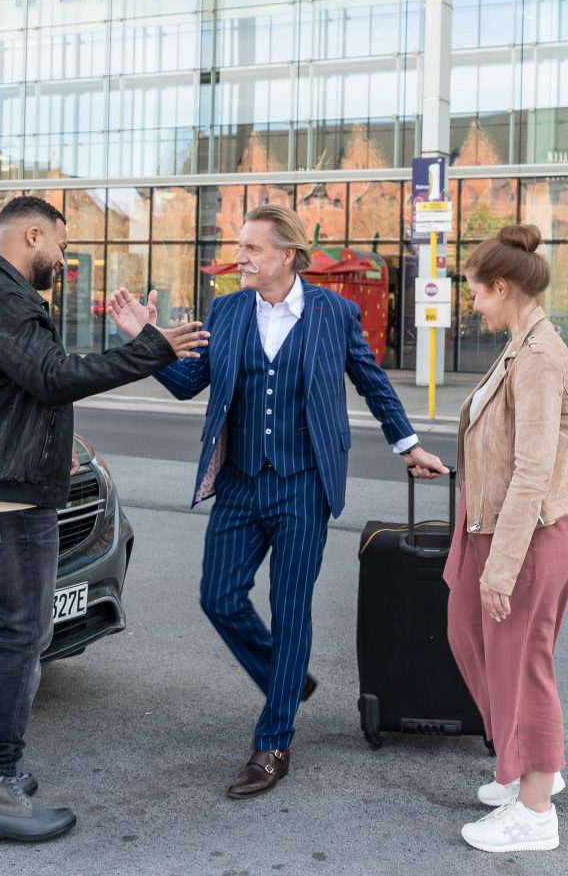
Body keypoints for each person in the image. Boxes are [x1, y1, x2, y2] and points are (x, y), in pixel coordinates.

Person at [107, 204, 449, 799]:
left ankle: (274, 741)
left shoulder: (334, 314)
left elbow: (372, 382)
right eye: (240, 248)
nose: (240, 258)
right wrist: (147, 337)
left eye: (252, 250)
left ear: (287, 255)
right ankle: (285, 679)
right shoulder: (229, 309)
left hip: (303, 483)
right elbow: (191, 385)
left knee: (291, 608)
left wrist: (408, 445)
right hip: (240, 481)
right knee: (219, 596)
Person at [0, 195, 208, 845]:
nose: (62, 255)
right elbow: (54, 376)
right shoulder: (2, 296)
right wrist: (150, 349)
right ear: (32, 235)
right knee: (21, 634)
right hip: (8, 494)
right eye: (60, 242)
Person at [444, 224, 568, 854]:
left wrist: (501, 568)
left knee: (522, 663)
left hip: (527, 535)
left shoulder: (536, 356)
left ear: (501, 288)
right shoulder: (519, 343)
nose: (472, 304)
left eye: (476, 293)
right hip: (492, 527)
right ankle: (528, 759)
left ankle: (535, 809)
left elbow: (534, 468)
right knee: (470, 637)